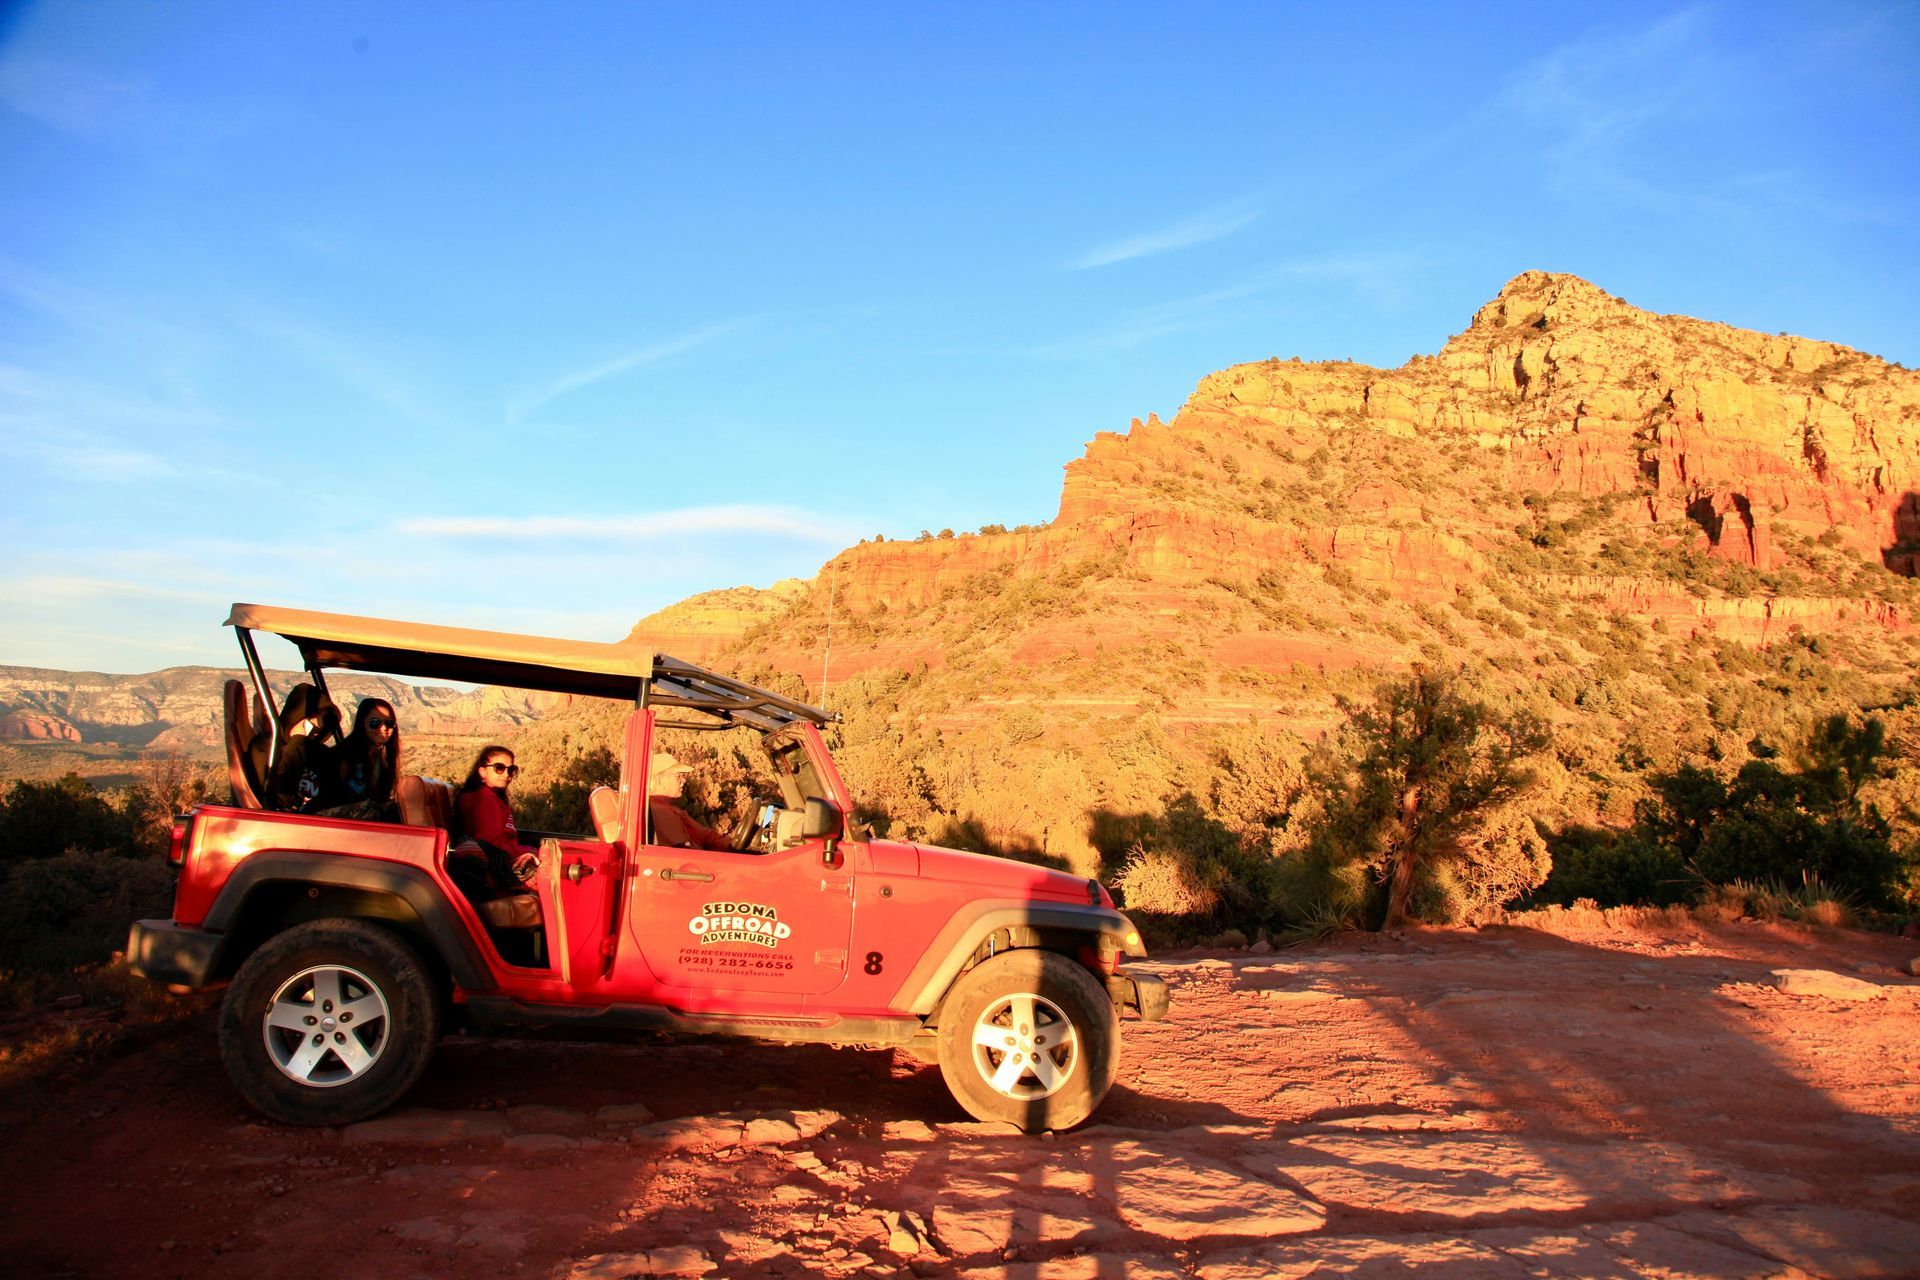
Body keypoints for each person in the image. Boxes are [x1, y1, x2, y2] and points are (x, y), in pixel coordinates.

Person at [450, 745, 538, 898]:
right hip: (498, 868)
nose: (506, 774)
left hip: (504, 859)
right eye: (499, 768)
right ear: (482, 771)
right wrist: (531, 853)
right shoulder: (482, 799)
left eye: (511, 770)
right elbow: (491, 843)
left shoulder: (492, 797)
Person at [315, 697, 400, 820]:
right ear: (362, 723)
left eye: (389, 723)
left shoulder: (383, 758)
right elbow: (328, 798)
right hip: (333, 821)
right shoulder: (343, 755)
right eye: (375, 722)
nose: (383, 728)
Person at [266, 684, 340, 811]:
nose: (319, 724)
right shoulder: (267, 749)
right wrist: (298, 739)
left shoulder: (321, 754)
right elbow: (281, 797)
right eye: (313, 716)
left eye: (323, 717)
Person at [647, 752, 732, 850]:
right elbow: (682, 854)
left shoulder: (669, 808)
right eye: (678, 776)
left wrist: (732, 845)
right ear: (658, 780)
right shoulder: (660, 812)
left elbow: (703, 835)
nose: (683, 780)